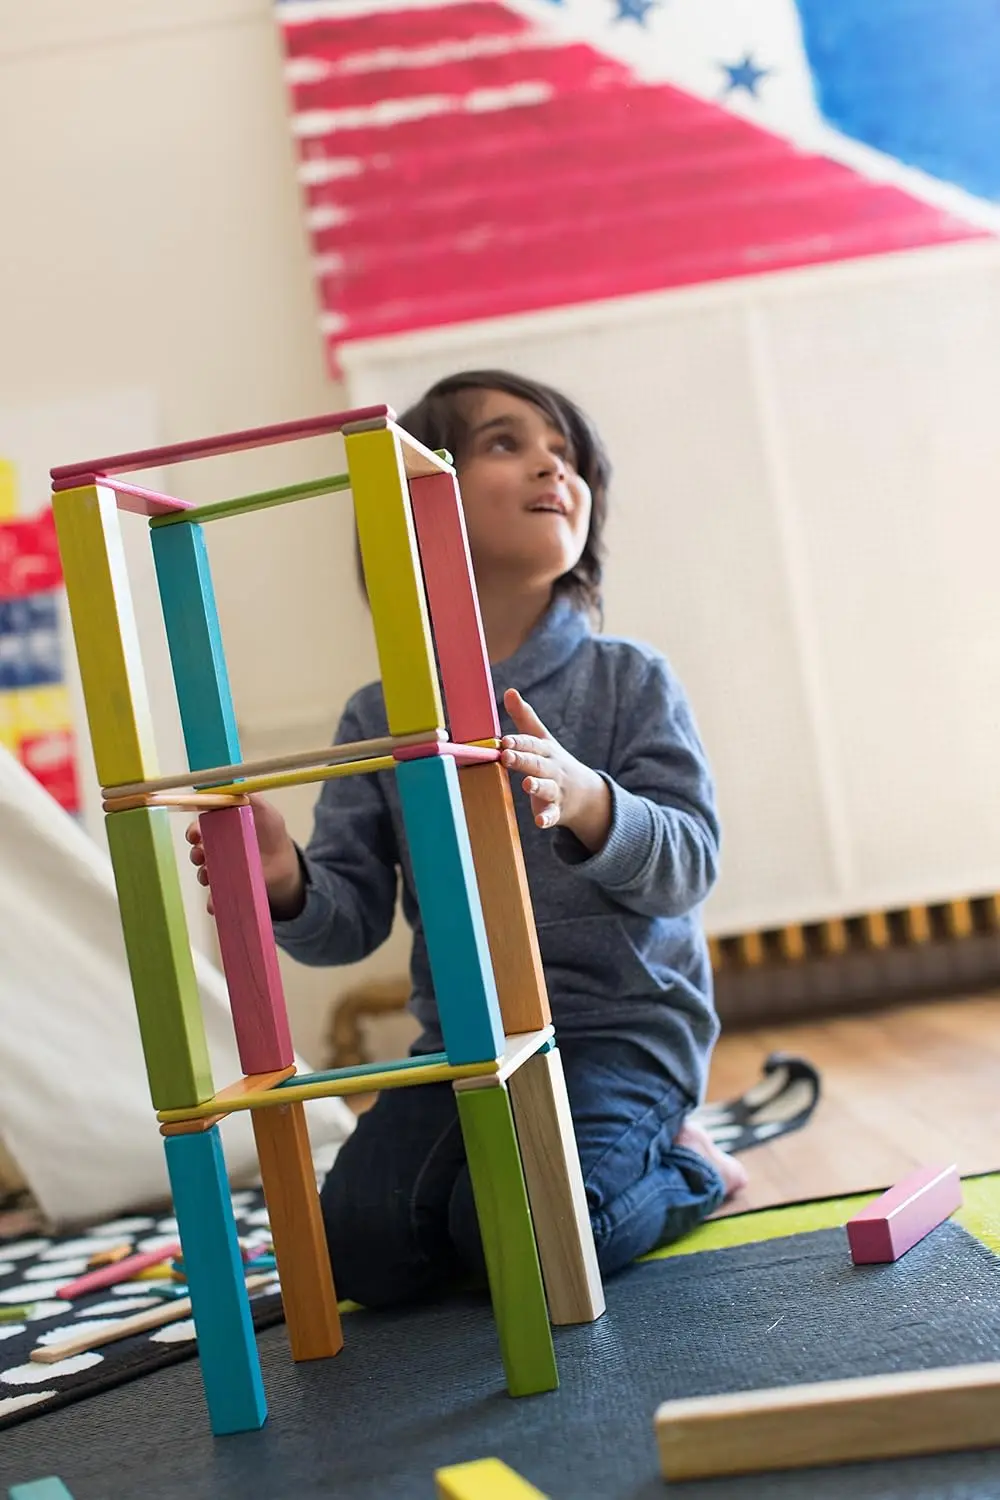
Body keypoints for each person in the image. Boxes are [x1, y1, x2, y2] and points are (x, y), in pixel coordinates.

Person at [187, 369, 747, 1308]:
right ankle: (492, 1206)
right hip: (463, 1050)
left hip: (618, 1038)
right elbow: (347, 921)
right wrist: (285, 879)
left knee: (524, 1237)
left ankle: (690, 1165)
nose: (550, 467)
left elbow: (688, 865)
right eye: (506, 443)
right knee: (360, 1251)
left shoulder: (625, 681)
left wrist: (590, 801)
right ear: (420, 505)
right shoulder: (381, 713)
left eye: (564, 454)